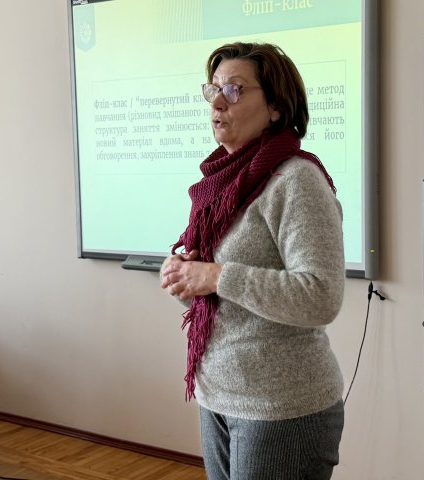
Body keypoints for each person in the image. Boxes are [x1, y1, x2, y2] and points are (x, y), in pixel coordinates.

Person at [160, 42, 345, 480]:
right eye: (214, 89)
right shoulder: (221, 186)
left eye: (235, 90)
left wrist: (216, 275)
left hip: (282, 409)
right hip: (218, 396)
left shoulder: (296, 180)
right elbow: (227, 300)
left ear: (276, 107)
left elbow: (321, 296)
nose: (217, 102)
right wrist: (187, 280)